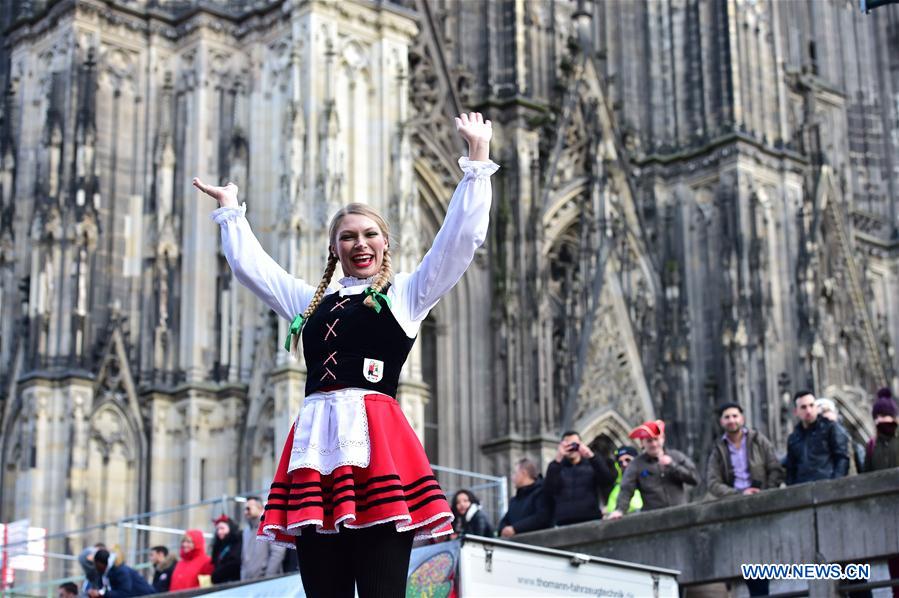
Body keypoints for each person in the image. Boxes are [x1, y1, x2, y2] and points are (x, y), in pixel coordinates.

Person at [194, 111, 497, 597]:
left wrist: (477, 159)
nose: (360, 243)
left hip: (377, 449)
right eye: (348, 236)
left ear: (385, 244)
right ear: (334, 249)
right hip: (316, 453)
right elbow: (254, 271)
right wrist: (232, 212)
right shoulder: (310, 301)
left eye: (370, 234)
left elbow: (458, 244)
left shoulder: (406, 295)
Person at [608, 420, 698, 519]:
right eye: (649, 441)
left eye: (656, 439)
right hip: (654, 519)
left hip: (681, 515)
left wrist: (673, 465)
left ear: (663, 439)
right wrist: (620, 510)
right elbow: (626, 490)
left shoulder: (676, 456)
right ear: (642, 443)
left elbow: (694, 479)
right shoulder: (636, 465)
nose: (654, 444)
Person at [706, 403, 784, 498]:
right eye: (727, 417)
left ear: (742, 419)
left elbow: (775, 467)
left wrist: (767, 492)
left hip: (763, 497)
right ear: (721, 422)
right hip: (734, 502)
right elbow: (713, 482)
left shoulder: (758, 440)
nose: (731, 420)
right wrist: (738, 494)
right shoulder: (718, 450)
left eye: (735, 416)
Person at [543, 431, 615, 526]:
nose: (571, 448)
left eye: (574, 444)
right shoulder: (556, 467)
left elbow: (607, 481)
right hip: (564, 521)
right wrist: (558, 459)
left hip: (590, 518)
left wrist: (591, 456)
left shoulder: (591, 464)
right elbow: (549, 491)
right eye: (567, 445)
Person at [785, 391, 849, 485]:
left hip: (827, 486)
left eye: (811, 405)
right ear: (796, 412)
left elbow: (842, 458)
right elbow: (791, 470)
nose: (808, 410)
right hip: (802, 490)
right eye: (803, 407)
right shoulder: (793, 438)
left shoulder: (830, 428)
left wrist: (835, 483)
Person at [498, 458, 550, 538]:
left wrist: (515, 529)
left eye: (515, 473)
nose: (512, 478)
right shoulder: (514, 501)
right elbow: (504, 522)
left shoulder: (541, 493)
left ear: (524, 473)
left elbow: (541, 518)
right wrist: (504, 530)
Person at [241, 496, 286, 580]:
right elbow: (243, 559)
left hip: (266, 583)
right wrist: (243, 578)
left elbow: (277, 553)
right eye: (244, 509)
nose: (245, 512)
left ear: (260, 508)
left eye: (248, 508)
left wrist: (268, 577)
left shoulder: (269, 525)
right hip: (247, 584)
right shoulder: (246, 531)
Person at [87, 549, 154, 598]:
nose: (95, 567)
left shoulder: (121, 571)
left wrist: (101, 594)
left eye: (95, 564)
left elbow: (124, 593)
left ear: (100, 563)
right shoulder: (105, 573)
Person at [864, 387, 899, 472]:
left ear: (892, 417)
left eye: (883, 416)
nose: (879, 420)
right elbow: (867, 473)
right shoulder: (871, 445)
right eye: (876, 417)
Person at [605, 446, 643, 514]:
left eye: (628, 460)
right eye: (620, 463)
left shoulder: (649, 478)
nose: (624, 464)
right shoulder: (616, 491)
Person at [211, 515, 242, 584]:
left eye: (222, 528)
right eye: (217, 529)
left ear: (230, 527)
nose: (219, 532)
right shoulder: (218, 546)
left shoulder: (237, 542)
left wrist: (216, 575)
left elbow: (235, 563)